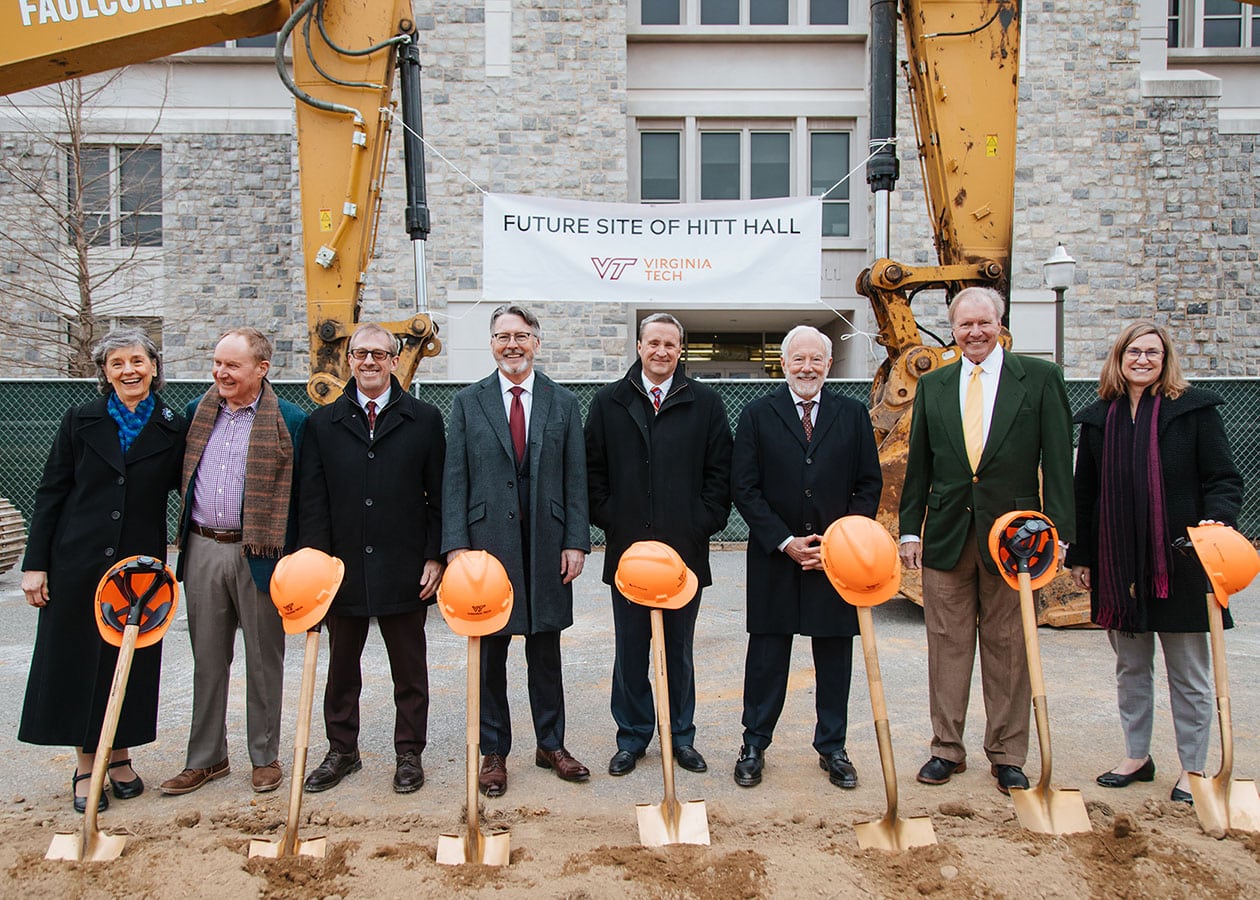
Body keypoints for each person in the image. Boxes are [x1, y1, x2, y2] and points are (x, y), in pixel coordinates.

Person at [898, 286, 1075, 795]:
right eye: (963, 324)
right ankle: (946, 749)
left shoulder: (1040, 380)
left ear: (1000, 324)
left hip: (1016, 542)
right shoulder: (934, 385)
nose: (974, 332)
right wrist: (911, 529)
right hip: (948, 537)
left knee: (1010, 646)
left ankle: (1007, 754)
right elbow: (920, 467)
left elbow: (1058, 463)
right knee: (946, 646)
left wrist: (1059, 533)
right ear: (952, 330)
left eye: (983, 322)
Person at [1066, 321, 1242, 804]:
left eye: (1153, 353)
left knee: (1188, 673)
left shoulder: (1195, 412)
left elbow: (1224, 479)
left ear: (1165, 360)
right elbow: (1085, 495)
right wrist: (1081, 557)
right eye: (1134, 352)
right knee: (1131, 668)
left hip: (1182, 566)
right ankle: (1137, 755)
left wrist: (1217, 525)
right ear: (1118, 358)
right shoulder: (1100, 419)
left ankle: (1193, 767)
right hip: (1120, 569)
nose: (1143, 360)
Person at [19, 328, 186, 813]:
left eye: (137, 361)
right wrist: (36, 565)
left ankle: (121, 758)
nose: (129, 371)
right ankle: (87, 763)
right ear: (104, 372)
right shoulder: (80, 420)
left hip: (139, 568)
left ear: (154, 367)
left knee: (128, 658)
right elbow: (51, 492)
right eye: (117, 364)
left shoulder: (172, 425)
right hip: (77, 561)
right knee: (76, 659)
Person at [442, 304, 591, 798]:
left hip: (547, 544)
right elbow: (455, 479)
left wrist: (575, 541)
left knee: (545, 649)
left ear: (536, 343)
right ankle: (493, 752)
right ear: (491, 344)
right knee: (490, 651)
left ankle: (551, 744)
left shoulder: (564, 403)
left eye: (521, 336)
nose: (512, 344)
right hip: (487, 548)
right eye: (503, 336)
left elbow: (575, 478)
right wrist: (456, 548)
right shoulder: (468, 403)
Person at [729, 325, 882, 789]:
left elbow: (868, 484)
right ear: (784, 364)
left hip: (836, 563)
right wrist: (784, 541)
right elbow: (745, 487)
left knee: (834, 657)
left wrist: (840, 543)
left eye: (816, 359)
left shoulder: (853, 414)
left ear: (829, 365)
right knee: (767, 657)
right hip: (776, 560)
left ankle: (833, 747)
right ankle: (754, 744)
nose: (807, 367)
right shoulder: (757, 415)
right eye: (799, 359)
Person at [297, 324, 445, 795]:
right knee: (341, 669)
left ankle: (409, 753)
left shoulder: (423, 419)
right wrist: (318, 565)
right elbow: (312, 501)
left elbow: (439, 496)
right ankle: (342, 750)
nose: (368, 362)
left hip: (404, 566)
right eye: (359, 353)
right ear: (348, 360)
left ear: (395, 360)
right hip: (342, 569)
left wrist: (434, 556)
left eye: (379, 354)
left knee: (410, 669)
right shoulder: (322, 424)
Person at [585, 312, 733, 777]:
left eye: (670, 344)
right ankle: (632, 737)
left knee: (678, 650)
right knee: (631, 650)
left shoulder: (705, 403)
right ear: (639, 347)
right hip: (628, 555)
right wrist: (614, 521)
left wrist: (698, 525)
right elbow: (592, 473)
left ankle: (680, 736)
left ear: (681, 350)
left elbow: (719, 475)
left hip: (683, 557)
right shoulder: (609, 402)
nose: (662, 351)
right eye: (653, 343)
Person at [160, 327, 306, 796]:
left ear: (261, 369)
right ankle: (206, 758)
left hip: (261, 553)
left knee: (264, 659)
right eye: (217, 362)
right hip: (202, 547)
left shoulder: (291, 420)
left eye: (232, 365)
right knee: (207, 658)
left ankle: (264, 756)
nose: (221, 372)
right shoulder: (195, 413)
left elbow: (302, 498)